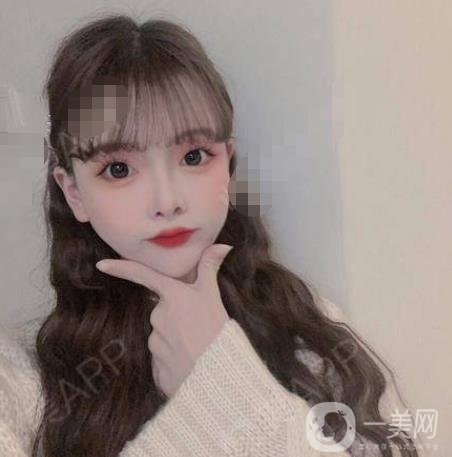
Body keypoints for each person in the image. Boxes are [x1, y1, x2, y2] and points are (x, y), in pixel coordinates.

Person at [0, 13, 423, 457]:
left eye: (194, 156)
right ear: (74, 193)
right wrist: (213, 394)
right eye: (119, 169)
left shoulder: (309, 333)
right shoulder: (20, 383)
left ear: (228, 166)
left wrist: (225, 385)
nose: (167, 201)